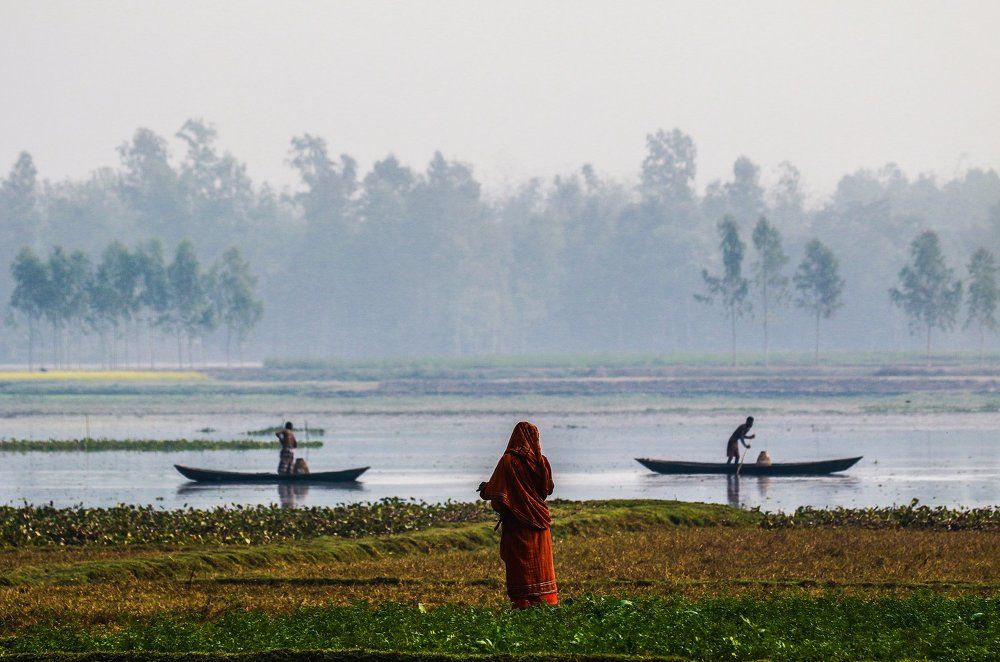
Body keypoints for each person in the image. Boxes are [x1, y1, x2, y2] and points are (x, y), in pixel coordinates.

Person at [477, 421, 558, 609]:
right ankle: (545, 604)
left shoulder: (508, 461)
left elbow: (496, 492)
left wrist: (485, 489)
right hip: (540, 523)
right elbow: (547, 489)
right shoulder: (541, 461)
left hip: (517, 524)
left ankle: (522, 605)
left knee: (520, 567)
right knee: (541, 565)